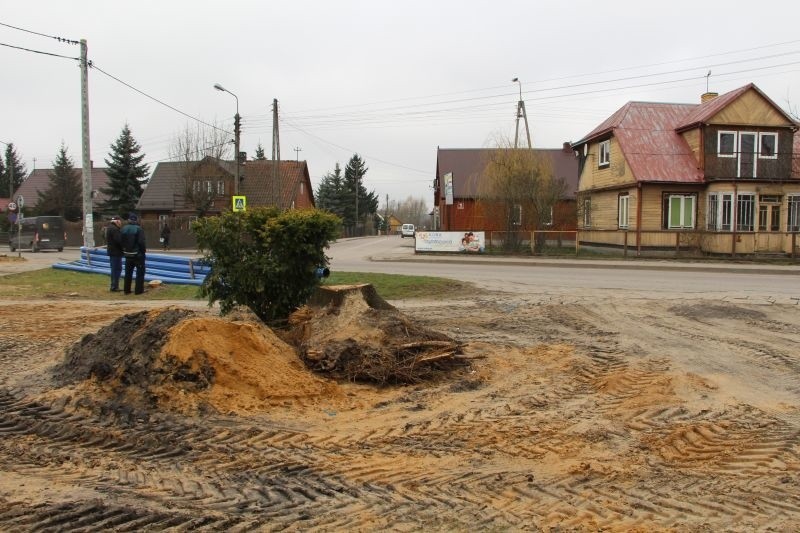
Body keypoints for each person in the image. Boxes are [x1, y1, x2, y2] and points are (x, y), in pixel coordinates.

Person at [121, 213, 147, 295]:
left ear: (128, 220)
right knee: (140, 273)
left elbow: (121, 241)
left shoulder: (123, 229)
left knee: (128, 273)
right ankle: (138, 291)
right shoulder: (138, 229)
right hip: (137, 254)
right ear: (136, 220)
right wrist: (143, 251)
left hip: (127, 254)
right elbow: (141, 242)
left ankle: (126, 290)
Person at [105, 216, 123, 292]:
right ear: (117, 221)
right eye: (120, 221)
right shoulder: (115, 229)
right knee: (116, 269)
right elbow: (119, 241)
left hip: (112, 252)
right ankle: (114, 286)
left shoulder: (109, 228)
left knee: (114, 269)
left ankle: (114, 285)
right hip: (116, 252)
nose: (121, 223)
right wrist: (125, 247)